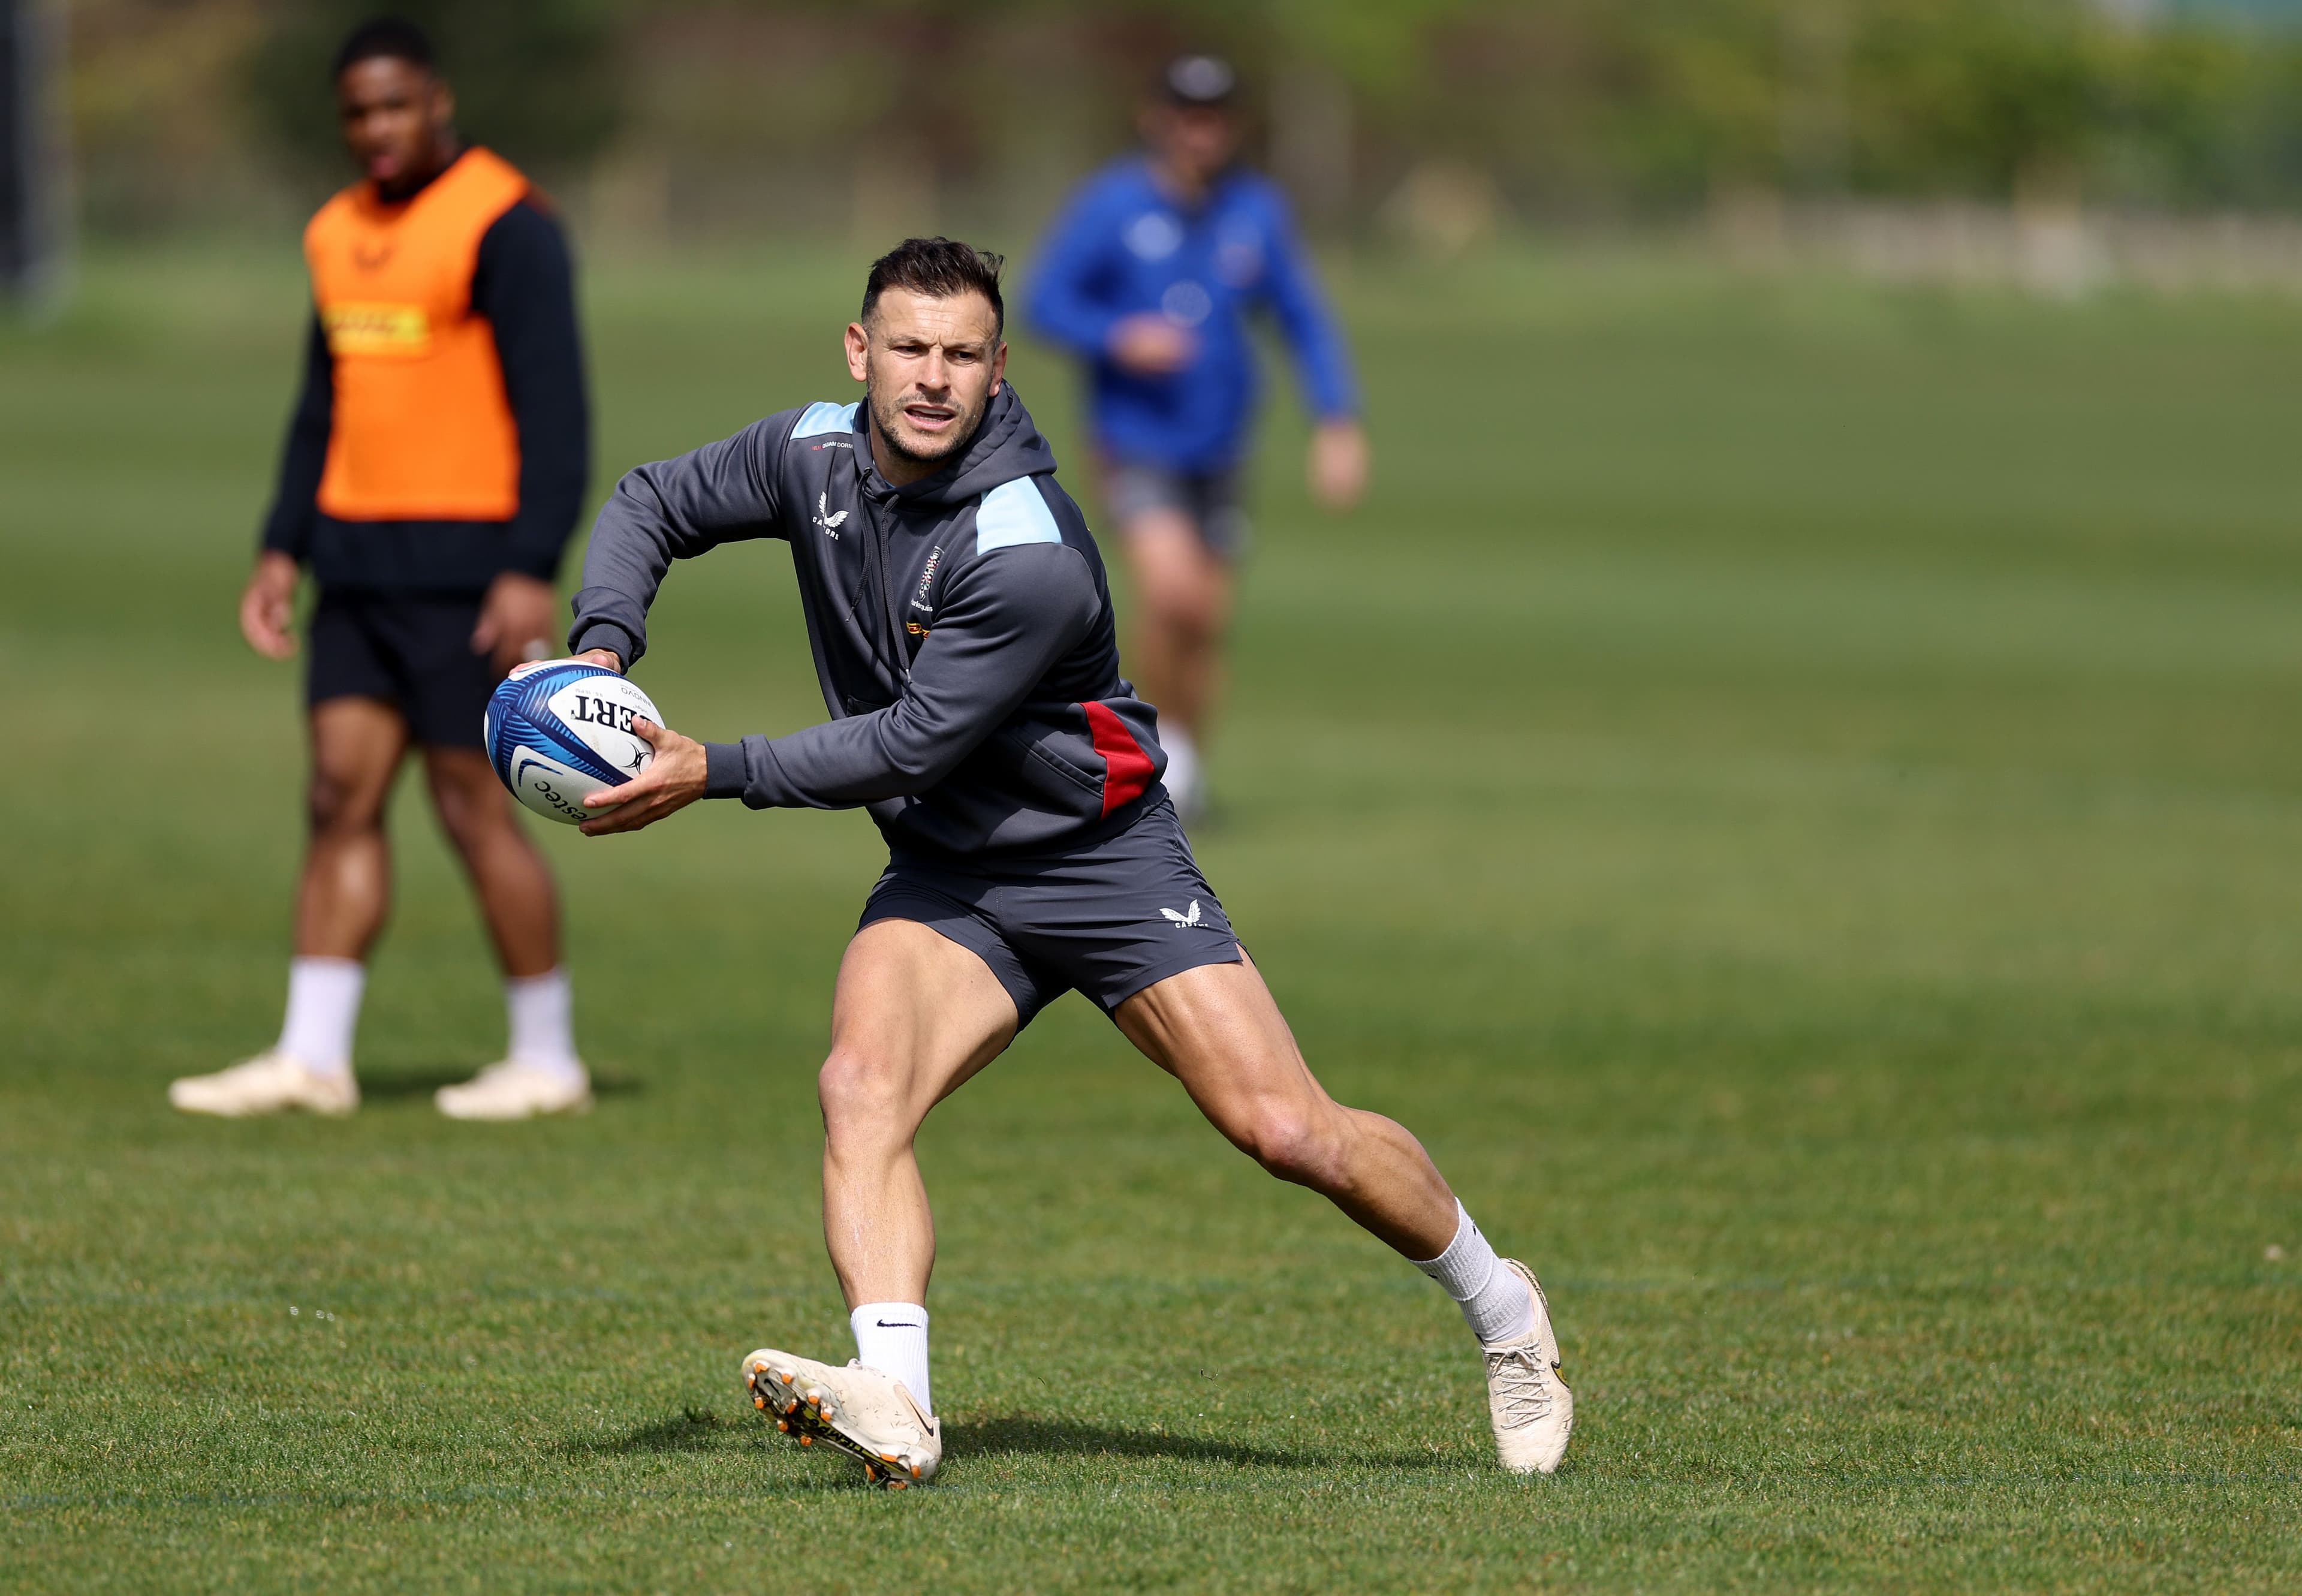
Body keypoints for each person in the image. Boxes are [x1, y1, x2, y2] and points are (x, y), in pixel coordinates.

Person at [562, 237, 1569, 1486]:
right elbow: (651, 499)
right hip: (950, 868)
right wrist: (601, 651)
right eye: (912, 349)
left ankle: (1505, 1311)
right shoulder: (809, 452)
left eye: (964, 355)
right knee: (859, 1086)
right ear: (860, 352)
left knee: (1285, 1126)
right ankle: (901, 1409)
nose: (934, 378)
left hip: (1099, 857)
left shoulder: (1023, 542)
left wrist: (711, 767)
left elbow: (911, 738)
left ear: (997, 369)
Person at [168, 18, 593, 1122]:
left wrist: (529, 565)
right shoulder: (332, 232)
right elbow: (324, 404)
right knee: (336, 796)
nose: (378, 129)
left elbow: (557, 411)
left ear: (438, 99)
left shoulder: (507, 221)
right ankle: (313, 1055)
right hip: (355, 564)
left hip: (467, 567)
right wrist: (281, 543)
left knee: (473, 806)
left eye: (396, 105)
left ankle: (546, 1057)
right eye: (359, 111)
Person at [1025, 54, 1367, 823]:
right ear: (1156, 118)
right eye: (1184, 113)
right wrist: (1120, 335)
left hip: (1221, 444)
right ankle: (1153, 754)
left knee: (1207, 620)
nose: (1198, 131)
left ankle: (1186, 766)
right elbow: (1045, 298)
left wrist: (1337, 420)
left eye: (1213, 116)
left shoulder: (1256, 211)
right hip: (1135, 439)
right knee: (1171, 593)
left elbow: (1302, 318)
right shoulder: (1114, 204)